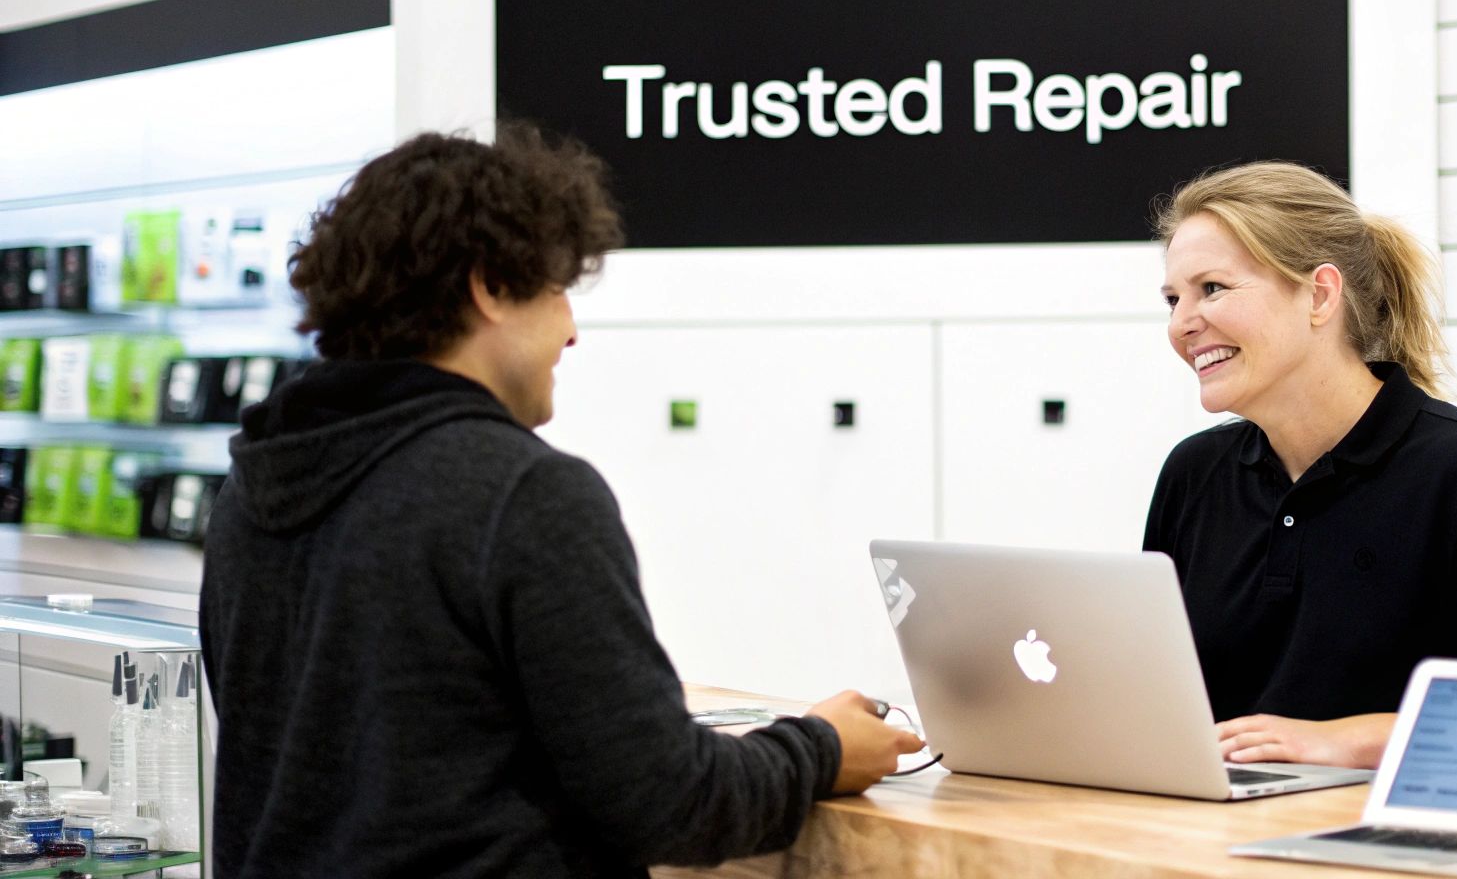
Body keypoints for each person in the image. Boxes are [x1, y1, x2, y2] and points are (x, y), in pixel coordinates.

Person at [199, 126, 921, 879]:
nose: (572, 331)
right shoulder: (521, 493)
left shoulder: (253, 487)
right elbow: (670, 803)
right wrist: (822, 747)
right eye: (555, 290)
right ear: (489, 286)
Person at [1144, 161, 1457, 772]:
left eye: (1211, 288)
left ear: (1319, 295)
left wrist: (1346, 742)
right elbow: (1159, 691)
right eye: (1172, 299)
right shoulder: (1194, 474)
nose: (1182, 323)